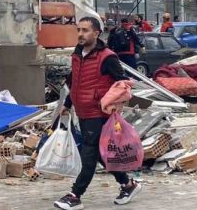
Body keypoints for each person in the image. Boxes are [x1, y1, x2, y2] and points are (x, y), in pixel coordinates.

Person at [53, 17, 142, 210]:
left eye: (85, 30)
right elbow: (75, 81)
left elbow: (123, 83)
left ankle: (75, 195)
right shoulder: (77, 54)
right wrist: (68, 103)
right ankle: (128, 185)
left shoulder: (107, 57)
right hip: (83, 112)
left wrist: (114, 102)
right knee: (102, 153)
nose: (80, 34)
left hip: (98, 113)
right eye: (78, 30)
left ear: (96, 33)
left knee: (89, 153)